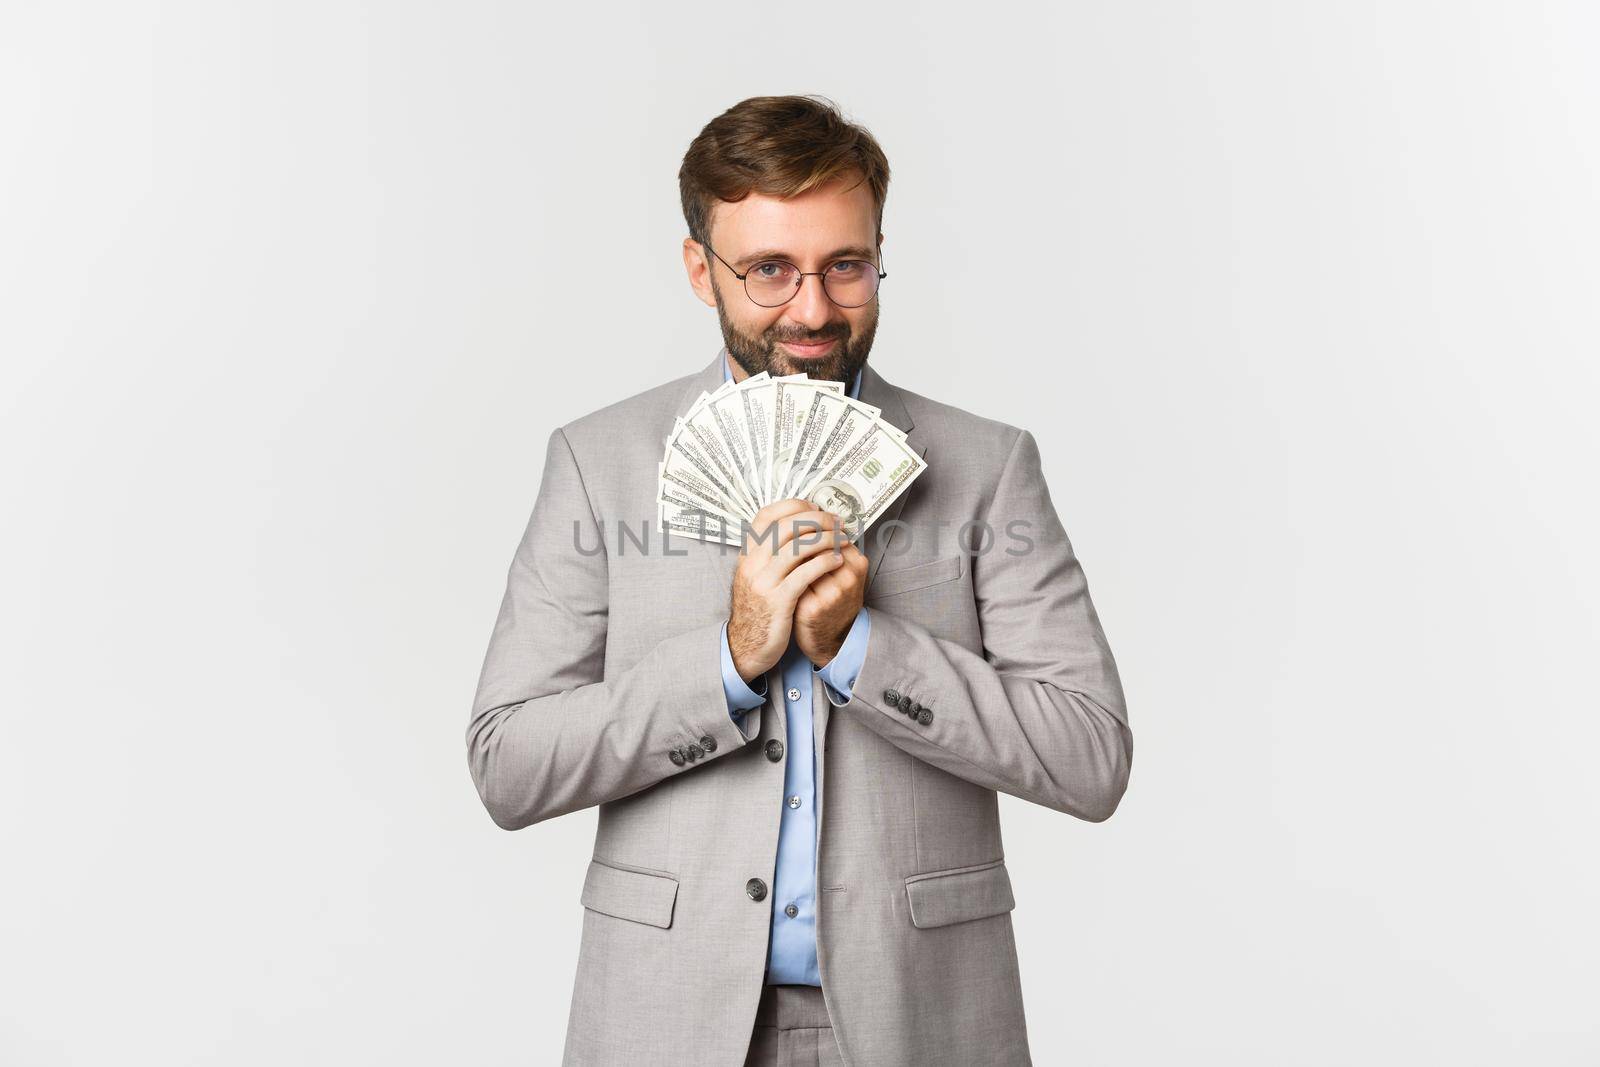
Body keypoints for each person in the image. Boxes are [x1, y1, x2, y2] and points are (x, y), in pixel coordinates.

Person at [466, 93, 1132, 1066]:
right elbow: (508, 762)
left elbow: (1090, 755)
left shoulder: (987, 467)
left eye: (844, 267)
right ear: (702, 268)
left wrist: (862, 648)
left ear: (878, 254)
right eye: (770, 270)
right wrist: (729, 661)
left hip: (922, 1018)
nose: (813, 309)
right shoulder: (596, 462)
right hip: (664, 1016)